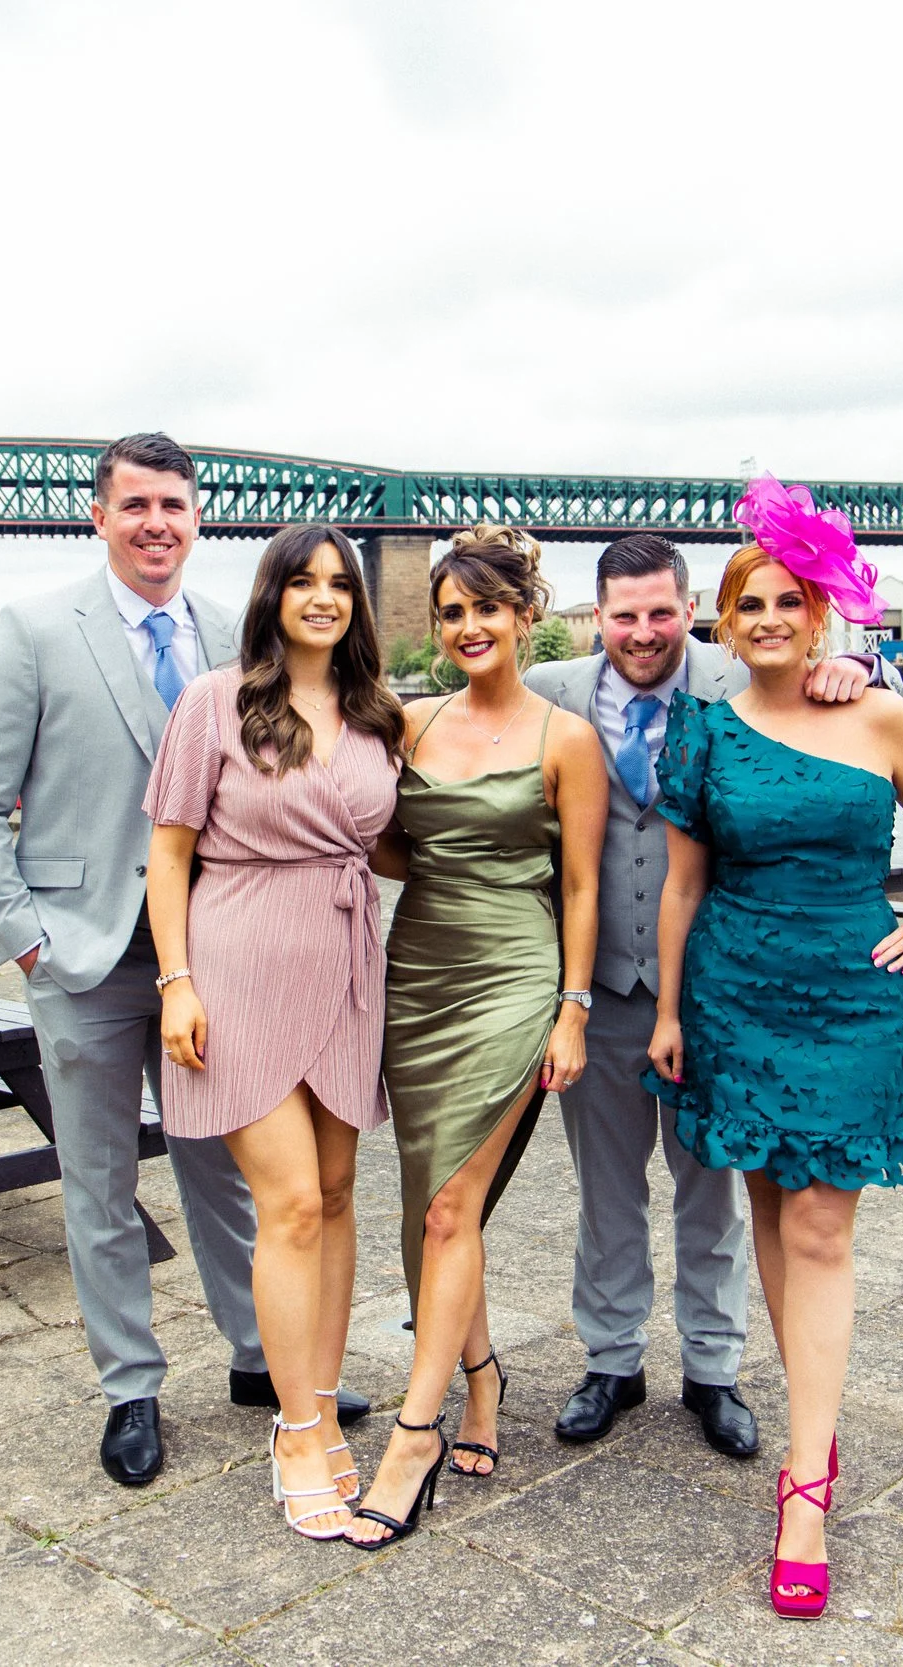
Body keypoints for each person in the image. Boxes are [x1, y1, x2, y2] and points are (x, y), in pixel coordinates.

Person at [0, 432, 365, 1492]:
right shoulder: (35, 630)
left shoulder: (236, 633)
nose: (156, 523)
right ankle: (130, 1383)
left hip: (217, 954)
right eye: (134, 504)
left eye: (173, 503)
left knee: (229, 1172)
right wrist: (25, 936)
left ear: (198, 514)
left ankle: (260, 1355)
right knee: (99, 1181)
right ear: (100, 515)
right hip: (81, 952)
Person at [644, 477, 903, 1622]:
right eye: (750, 603)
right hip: (734, 989)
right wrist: (671, 1012)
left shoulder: (877, 713)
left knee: (821, 1218)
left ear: (821, 613)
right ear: (723, 623)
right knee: (773, 1209)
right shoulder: (704, 728)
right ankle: (805, 1413)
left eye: (789, 599)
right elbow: (682, 883)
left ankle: (806, 1485)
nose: (771, 616)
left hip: (849, 993)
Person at [526, 534, 890, 1457]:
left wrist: (859, 657)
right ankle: (611, 1359)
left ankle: (714, 1369)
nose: (643, 632)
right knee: (605, 1188)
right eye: (623, 615)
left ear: (690, 609)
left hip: (716, 986)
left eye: (660, 612)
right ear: (596, 614)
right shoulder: (555, 690)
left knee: (714, 1190)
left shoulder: (744, 672)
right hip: (601, 983)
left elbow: (858, 705)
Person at [345, 524, 608, 1547]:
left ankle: (414, 1434)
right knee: (431, 1205)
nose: (467, 627)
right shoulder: (409, 726)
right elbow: (394, 846)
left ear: (523, 615)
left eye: (485, 609)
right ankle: (483, 1377)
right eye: (451, 612)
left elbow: (580, 883)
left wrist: (572, 1005)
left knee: (452, 1205)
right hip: (417, 975)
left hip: (513, 978)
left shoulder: (565, 739)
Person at [143, 524, 403, 1539]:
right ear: (273, 595)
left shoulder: (381, 715)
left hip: (345, 962)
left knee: (337, 1197)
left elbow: (510, 707)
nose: (324, 596)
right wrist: (176, 981)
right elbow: (167, 854)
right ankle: (295, 1428)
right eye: (303, 581)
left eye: (341, 583)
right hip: (239, 959)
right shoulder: (215, 701)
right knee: (289, 1202)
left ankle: (326, 1405)